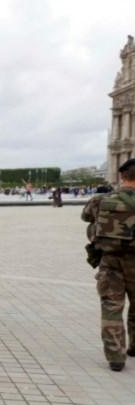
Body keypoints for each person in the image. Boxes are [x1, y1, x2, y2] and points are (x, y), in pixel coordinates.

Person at [81, 158, 135, 371]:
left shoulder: (100, 200)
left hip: (111, 262)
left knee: (111, 308)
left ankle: (115, 357)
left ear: (122, 176)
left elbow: (86, 217)